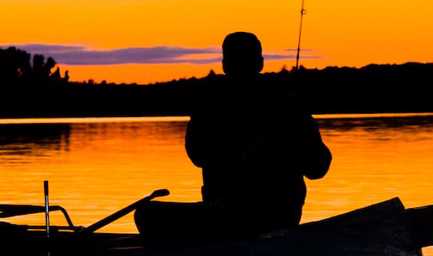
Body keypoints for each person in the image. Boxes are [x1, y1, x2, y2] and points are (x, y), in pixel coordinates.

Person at [134, 32, 332, 239]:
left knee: (147, 213)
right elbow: (318, 169)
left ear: (224, 65)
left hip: (258, 215)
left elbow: (197, 155)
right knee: (148, 213)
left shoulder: (211, 106)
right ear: (261, 63)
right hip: (254, 214)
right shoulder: (287, 104)